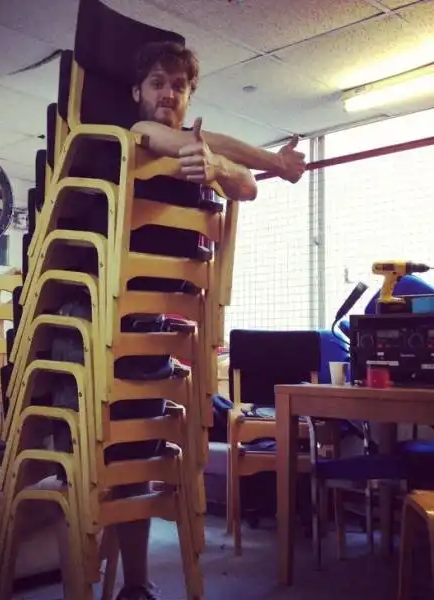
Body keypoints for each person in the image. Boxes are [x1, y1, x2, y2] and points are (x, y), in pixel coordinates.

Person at [108, 41, 308, 600]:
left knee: (142, 450)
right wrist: (237, 163)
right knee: (127, 453)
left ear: (189, 96)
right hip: (116, 324)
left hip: (163, 328)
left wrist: (253, 167)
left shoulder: (198, 153)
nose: (168, 93)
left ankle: (135, 584)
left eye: (178, 86)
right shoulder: (137, 136)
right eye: (157, 82)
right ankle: (135, 582)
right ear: (137, 92)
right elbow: (191, 144)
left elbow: (243, 184)